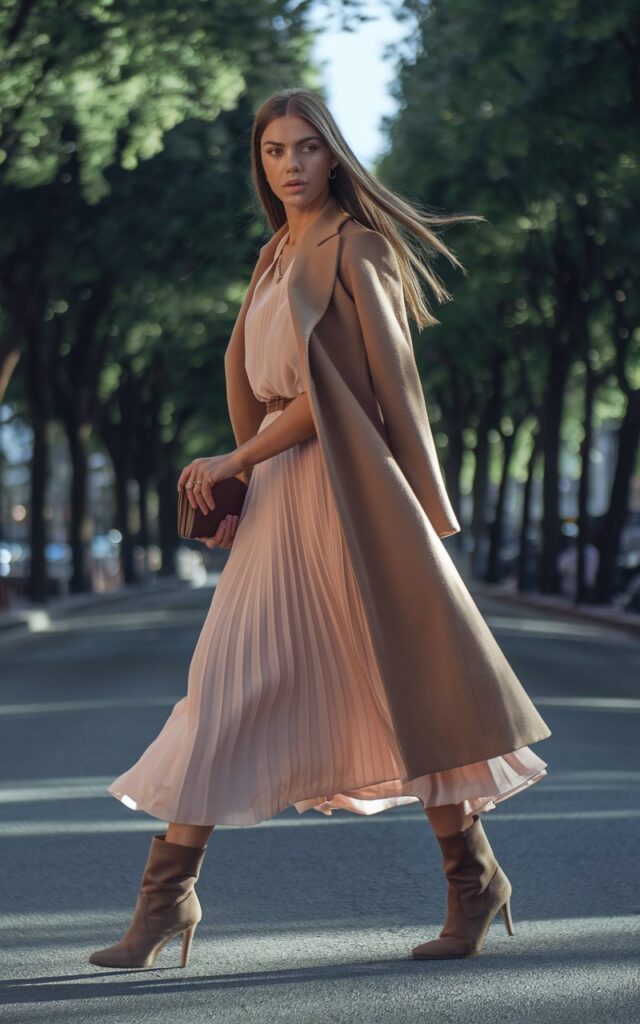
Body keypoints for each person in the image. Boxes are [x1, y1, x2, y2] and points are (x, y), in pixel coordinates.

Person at [89, 88, 551, 970]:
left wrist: (237, 458)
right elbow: (269, 388)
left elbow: (350, 393)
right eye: (274, 151)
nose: (290, 164)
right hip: (278, 497)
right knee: (223, 687)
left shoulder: (357, 248)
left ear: (333, 155)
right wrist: (242, 478)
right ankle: (167, 901)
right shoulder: (272, 258)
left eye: (305, 147)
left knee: (399, 685)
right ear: (259, 162)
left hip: (345, 496)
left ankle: (472, 880)